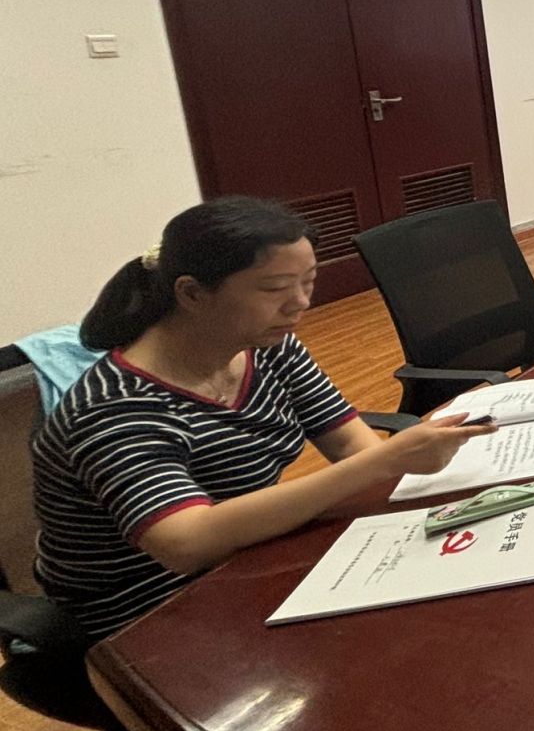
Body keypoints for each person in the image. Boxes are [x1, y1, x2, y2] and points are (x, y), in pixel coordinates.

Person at [32, 197, 496, 642]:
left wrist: (401, 470)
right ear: (192, 293)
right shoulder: (115, 408)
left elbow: (350, 444)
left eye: (308, 282)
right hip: (148, 612)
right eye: (275, 288)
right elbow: (186, 544)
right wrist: (387, 461)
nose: (299, 303)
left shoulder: (269, 347)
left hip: (250, 559)